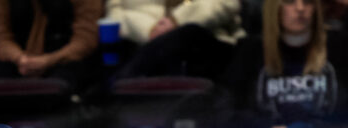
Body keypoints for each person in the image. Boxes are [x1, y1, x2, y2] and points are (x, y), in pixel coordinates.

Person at [221, 0, 348, 128]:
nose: (300, 8)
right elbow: (226, 112)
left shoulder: (343, 47)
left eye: (307, 2)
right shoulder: (250, 51)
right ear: (274, 7)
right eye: (290, 1)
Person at [105, 0, 245, 81]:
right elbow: (114, 13)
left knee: (188, 33)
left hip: (207, 43)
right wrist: (149, 30)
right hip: (141, 43)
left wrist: (177, 21)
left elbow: (227, 3)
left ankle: (110, 91)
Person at [0, 0, 103, 95]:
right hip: (18, 60)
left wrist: (48, 60)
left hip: (67, 58)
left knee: (62, 85)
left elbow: (86, 38)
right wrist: (21, 59)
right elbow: (0, 38)